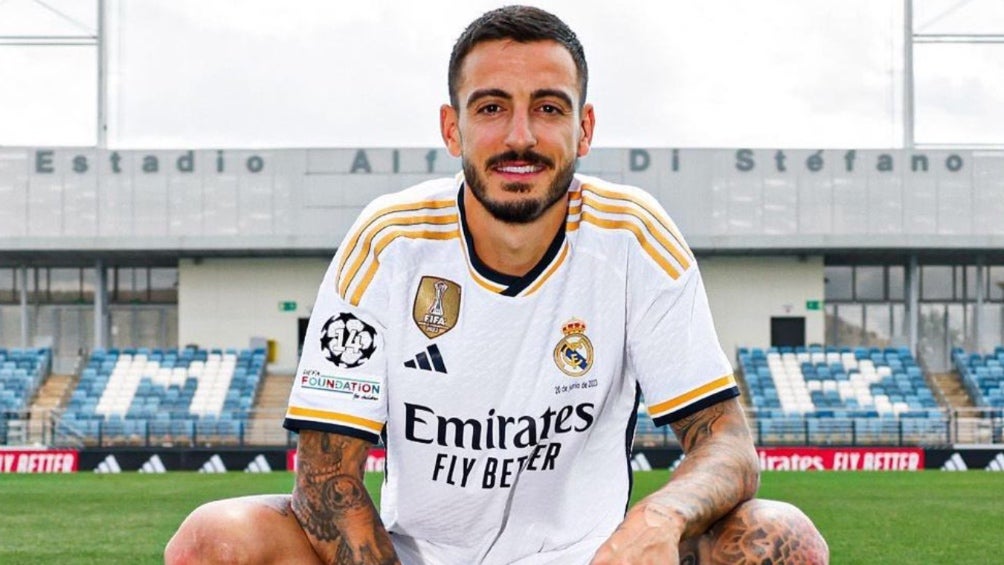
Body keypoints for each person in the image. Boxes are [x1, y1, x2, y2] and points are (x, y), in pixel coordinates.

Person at [165, 5, 828, 564]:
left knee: (781, 538)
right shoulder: (389, 243)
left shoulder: (633, 236)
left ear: (583, 129)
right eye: (491, 107)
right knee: (214, 538)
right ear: (452, 127)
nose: (520, 136)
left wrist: (661, 516)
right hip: (418, 556)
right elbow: (324, 481)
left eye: (548, 107)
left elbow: (726, 442)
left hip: (591, 557)